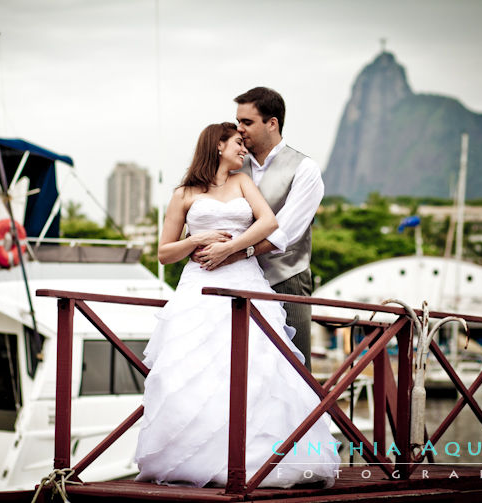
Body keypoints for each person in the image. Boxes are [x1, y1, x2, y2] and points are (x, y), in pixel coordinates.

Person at [134, 122, 339, 488]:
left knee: (258, 364)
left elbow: (269, 222)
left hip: (243, 278)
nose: (243, 149)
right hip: (199, 286)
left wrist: (232, 246)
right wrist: (196, 238)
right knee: (195, 368)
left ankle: (259, 458)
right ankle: (193, 456)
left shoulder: (243, 182)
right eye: (237, 143)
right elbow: (164, 253)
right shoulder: (183, 193)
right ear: (217, 146)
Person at [197, 87, 323, 372]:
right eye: (238, 121)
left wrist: (235, 253)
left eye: (247, 122)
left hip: (286, 279)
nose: (239, 129)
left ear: (272, 123)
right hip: (233, 280)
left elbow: (286, 233)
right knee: (236, 368)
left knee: (294, 368)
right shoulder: (232, 167)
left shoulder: (305, 169)